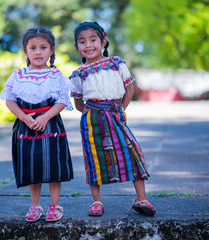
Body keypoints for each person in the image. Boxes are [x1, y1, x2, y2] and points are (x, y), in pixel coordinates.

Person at [69, 21, 156, 217]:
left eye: (93, 39)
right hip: (92, 119)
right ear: (77, 47)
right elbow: (77, 102)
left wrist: (120, 111)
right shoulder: (78, 73)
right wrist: (92, 113)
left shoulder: (117, 63)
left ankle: (142, 199)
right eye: (82, 41)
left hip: (116, 114)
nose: (88, 45)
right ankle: (97, 201)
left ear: (103, 41)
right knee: (94, 158)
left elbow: (129, 89)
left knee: (132, 152)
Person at [0, 27, 74, 222]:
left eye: (43, 47)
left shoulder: (56, 76)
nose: (38, 52)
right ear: (26, 51)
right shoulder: (18, 75)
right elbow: (9, 100)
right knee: (33, 167)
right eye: (33, 48)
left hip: (50, 125)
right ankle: (35, 206)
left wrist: (44, 117)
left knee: (53, 166)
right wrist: (25, 118)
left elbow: (62, 100)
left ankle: (55, 205)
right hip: (26, 126)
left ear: (51, 50)